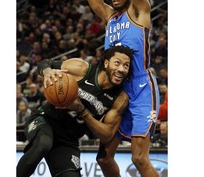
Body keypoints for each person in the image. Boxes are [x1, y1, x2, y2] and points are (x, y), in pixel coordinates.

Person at [73, 0, 160, 176]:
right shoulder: (109, 17)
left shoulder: (140, 9)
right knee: (103, 158)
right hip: (118, 93)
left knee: (139, 158)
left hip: (141, 90)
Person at [16, 45, 134, 177]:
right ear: (106, 63)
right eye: (117, 63)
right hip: (45, 119)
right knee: (43, 144)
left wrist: (82, 111)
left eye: (126, 66)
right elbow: (46, 63)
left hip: (68, 139)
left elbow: (107, 135)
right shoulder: (82, 69)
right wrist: (47, 71)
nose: (121, 69)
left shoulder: (120, 98)